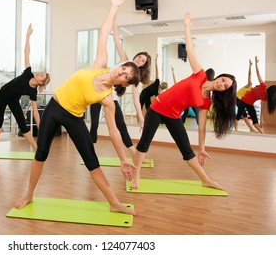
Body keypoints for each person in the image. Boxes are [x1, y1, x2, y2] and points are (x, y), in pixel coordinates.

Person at [15, 0, 140, 216]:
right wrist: (114, 7)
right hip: (54, 108)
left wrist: (123, 159)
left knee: (92, 160)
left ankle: (114, 202)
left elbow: (114, 133)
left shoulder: (108, 99)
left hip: (74, 118)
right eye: (123, 68)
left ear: (126, 83)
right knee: (41, 153)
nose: (121, 73)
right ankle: (29, 194)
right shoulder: (100, 62)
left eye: (126, 76)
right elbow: (103, 31)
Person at [131, 12, 237, 190]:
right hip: (157, 108)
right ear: (221, 76)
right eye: (224, 80)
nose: (222, 84)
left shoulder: (206, 102)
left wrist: (202, 148)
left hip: (173, 115)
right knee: (144, 143)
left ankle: (205, 179)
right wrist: (187, 26)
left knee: (187, 150)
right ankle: (136, 176)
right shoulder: (200, 75)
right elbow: (189, 50)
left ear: (224, 91)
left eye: (225, 86)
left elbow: (202, 127)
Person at [0, 24, 50, 154]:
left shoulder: (33, 91)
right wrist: (28, 36)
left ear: (41, 82)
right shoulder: (28, 73)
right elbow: (27, 52)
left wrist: (41, 127)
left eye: (42, 75)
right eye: (41, 72)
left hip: (13, 100)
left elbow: (35, 112)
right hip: (2, 94)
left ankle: (37, 149)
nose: (40, 73)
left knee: (23, 125)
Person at [89, 18, 151, 158]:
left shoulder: (135, 78)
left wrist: (140, 116)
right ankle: (90, 152)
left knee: (121, 125)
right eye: (140, 57)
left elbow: (136, 99)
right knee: (94, 124)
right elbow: (116, 39)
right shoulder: (124, 58)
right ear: (136, 56)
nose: (140, 60)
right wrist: (114, 21)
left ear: (143, 66)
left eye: (143, 61)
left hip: (111, 97)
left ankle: (133, 153)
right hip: (98, 91)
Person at [235, 56, 276, 133]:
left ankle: (237, 130)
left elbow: (258, 73)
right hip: (244, 101)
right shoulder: (264, 96)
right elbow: (262, 110)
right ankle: (262, 133)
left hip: (242, 100)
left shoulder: (262, 86)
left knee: (239, 116)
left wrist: (256, 64)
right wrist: (261, 119)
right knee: (254, 122)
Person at [234, 59, 258, 132]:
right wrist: (250, 66)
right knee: (243, 115)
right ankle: (237, 129)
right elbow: (249, 75)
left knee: (244, 116)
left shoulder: (252, 94)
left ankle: (250, 128)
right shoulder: (249, 85)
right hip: (237, 98)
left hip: (241, 101)